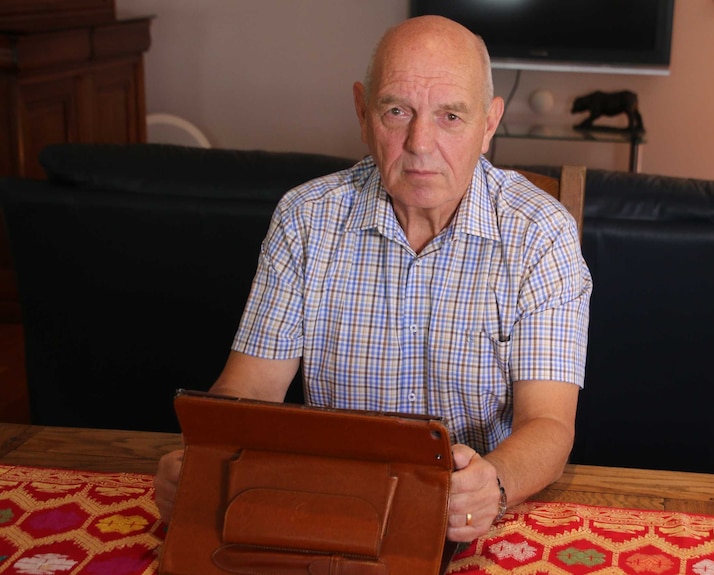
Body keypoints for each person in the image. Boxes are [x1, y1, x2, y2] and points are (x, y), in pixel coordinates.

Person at [155, 14, 592, 543]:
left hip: (471, 517)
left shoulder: (541, 234)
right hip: (326, 505)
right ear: (363, 112)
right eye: (397, 111)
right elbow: (248, 389)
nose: (420, 142)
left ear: (489, 125)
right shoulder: (305, 218)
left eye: (450, 115)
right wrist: (204, 458)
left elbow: (548, 425)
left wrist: (494, 484)